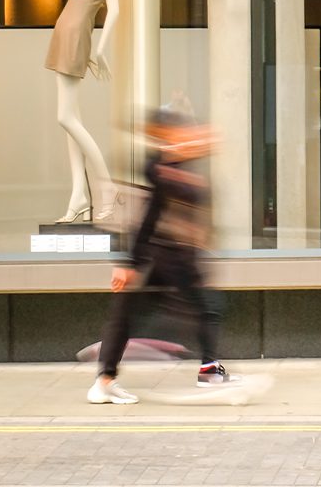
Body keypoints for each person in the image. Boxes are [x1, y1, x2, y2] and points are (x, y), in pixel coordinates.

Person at [86, 111, 239, 405]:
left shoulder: (173, 164)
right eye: (189, 134)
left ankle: (106, 380)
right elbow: (146, 218)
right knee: (199, 308)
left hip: (174, 256)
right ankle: (107, 379)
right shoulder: (160, 167)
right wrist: (128, 263)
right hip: (162, 256)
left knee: (141, 313)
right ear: (168, 134)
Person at [47, 0, 119, 223]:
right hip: (64, 34)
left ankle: (108, 188)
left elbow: (114, 10)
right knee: (71, 118)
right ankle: (79, 196)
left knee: (65, 117)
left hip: (76, 38)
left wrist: (101, 49)